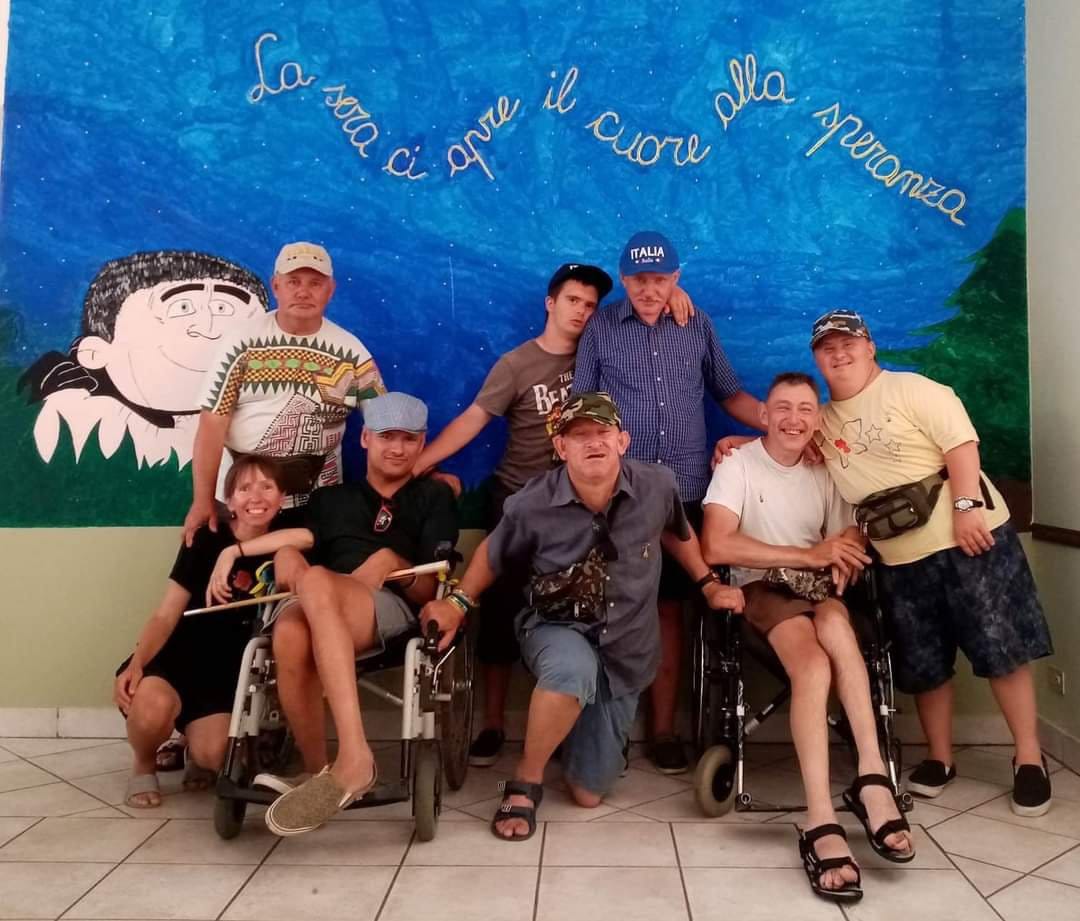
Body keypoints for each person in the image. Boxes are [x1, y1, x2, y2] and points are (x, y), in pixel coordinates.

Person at [422, 392, 744, 841]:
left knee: (588, 793)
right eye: (579, 436)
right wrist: (456, 604)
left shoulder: (657, 485)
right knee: (573, 670)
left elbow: (676, 533)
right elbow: (493, 554)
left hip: (626, 645)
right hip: (556, 626)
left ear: (622, 441)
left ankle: (578, 732)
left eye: (602, 432)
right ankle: (526, 780)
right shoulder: (532, 501)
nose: (593, 443)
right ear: (561, 447)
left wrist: (708, 584)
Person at [413, 263, 695, 767]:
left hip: (588, 506)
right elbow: (475, 418)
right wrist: (418, 465)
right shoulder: (518, 364)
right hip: (522, 498)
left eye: (590, 305)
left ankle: (593, 727)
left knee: (596, 607)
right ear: (550, 303)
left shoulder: (607, 348)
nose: (582, 312)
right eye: (572, 301)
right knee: (502, 610)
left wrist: (673, 293)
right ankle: (493, 722)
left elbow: (647, 310)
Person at [810, 309, 1053, 816]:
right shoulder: (823, 421)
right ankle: (940, 758)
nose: (839, 353)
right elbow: (779, 430)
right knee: (923, 662)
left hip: (969, 540)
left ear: (869, 346)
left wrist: (967, 508)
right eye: (827, 348)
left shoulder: (913, 389)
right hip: (898, 559)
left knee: (1001, 648)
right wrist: (733, 443)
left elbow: (961, 446)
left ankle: (1029, 759)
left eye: (847, 343)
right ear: (817, 359)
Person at [701, 371, 914, 903]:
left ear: (817, 419)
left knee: (839, 625)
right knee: (814, 666)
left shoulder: (824, 469)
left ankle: (872, 776)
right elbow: (716, 546)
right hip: (763, 588)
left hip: (818, 588)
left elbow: (846, 532)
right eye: (782, 408)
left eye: (804, 409)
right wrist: (807, 555)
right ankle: (819, 817)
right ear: (764, 415)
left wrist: (841, 553)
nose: (793, 419)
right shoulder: (738, 464)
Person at [571, 231, 763, 773]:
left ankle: (662, 730)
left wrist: (779, 422)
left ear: (676, 279)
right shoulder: (601, 328)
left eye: (660, 280)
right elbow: (582, 407)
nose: (649, 290)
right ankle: (604, 730)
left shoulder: (696, 324)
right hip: (620, 495)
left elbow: (729, 393)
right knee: (612, 607)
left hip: (685, 495)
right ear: (624, 279)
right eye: (639, 280)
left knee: (670, 611)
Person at [226, 392, 458, 836]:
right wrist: (281, 556)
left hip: (385, 606)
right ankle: (320, 771)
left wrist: (391, 561)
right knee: (290, 631)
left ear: (422, 442)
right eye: (387, 436)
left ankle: (355, 758)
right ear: (366, 439)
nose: (397, 448)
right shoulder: (329, 499)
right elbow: (297, 546)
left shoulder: (434, 496)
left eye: (409, 439)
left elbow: (431, 587)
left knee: (315, 582)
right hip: (319, 601)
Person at [113, 454, 286, 808]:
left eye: (267, 487)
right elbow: (166, 614)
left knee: (215, 754)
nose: (256, 497)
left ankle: (194, 747)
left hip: (224, 677)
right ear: (230, 502)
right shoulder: (207, 539)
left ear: (282, 498)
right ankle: (143, 765)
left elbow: (309, 536)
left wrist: (235, 553)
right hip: (178, 658)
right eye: (245, 489)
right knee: (151, 711)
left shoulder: (287, 543)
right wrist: (137, 663)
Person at [183, 241, 385, 544]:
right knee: (219, 571)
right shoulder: (241, 343)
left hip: (318, 501)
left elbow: (385, 424)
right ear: (276, 286)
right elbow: (212, 424)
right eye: (293, 282)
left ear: (330, 290)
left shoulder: (352, 353)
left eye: (315, 283)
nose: (303, 292)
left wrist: (423, 470)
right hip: (243, 499)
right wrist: (202, 500)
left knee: (303, 573)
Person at [19, 250, 268, 468]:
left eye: (223, 308)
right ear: (95, 353)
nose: (208, 327)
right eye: (182, 307)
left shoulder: (255, 431)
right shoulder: (73, 434)